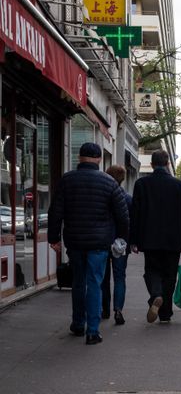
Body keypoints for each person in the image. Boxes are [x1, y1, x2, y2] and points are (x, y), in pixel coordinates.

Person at [48, 143, 129, 345]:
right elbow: (123, 216)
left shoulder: (66, 180)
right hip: (100, 243)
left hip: (74, 240)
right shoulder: (109, 182)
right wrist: (121, 238)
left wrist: (54, 238)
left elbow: (55, 211)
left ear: (79, 157)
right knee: (95, 282)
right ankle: (92, 331)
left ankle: (77, 323)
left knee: (78, 282)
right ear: (100, 159)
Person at [130, 150, 181, 323]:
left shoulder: (141, 184)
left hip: (149, 239)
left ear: (152, 164)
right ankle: (165, 313)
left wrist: (133, 239)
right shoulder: (178, 185)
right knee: (170, 275)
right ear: (167, 164)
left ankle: (156, 295)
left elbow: (136, 214)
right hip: (173, 240)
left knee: (151, 271)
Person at [101, 165, 132, 325]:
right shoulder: (127, 198)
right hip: (121, 243)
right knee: (120, 277)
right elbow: (130, 222)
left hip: (103, 241)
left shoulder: (102, 197)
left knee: (103, 277)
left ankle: (104, 308)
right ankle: (118, 309)